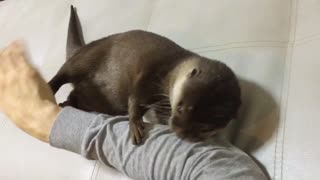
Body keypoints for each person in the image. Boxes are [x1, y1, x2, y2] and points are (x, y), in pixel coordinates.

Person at [0, 41, 267, 180]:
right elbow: (205, 164)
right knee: (78, 63)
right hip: (109, 62)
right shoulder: (178, 71)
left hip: (101, 99)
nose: (180, 131)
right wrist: (50, 120)